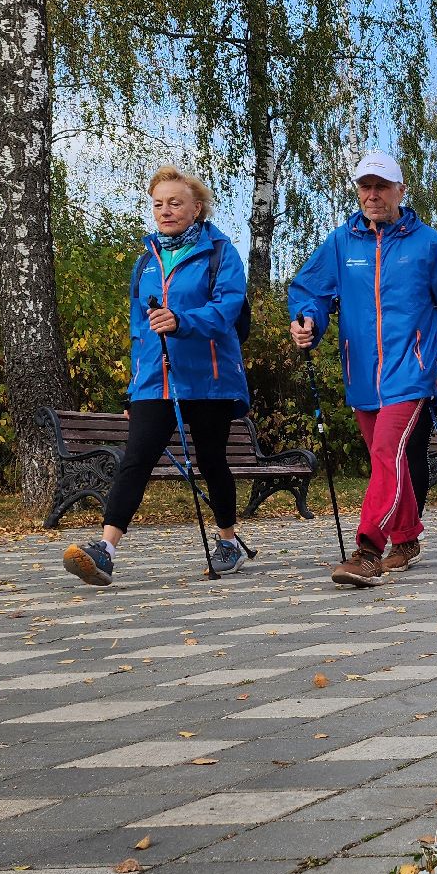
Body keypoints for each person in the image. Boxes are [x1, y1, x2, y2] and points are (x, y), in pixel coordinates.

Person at [287, 153, 437, 588]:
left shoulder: (428, 243)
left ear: (400, 191)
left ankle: (369, 549)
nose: (372, 195)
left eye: (381, 186)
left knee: (385, 453)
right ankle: (408, 537)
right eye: (364, 187)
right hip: (362, 374)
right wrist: (308, 320)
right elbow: (309, 291)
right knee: (387, 455)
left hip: (412, 370)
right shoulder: (341, 242)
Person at [63, 166, 253, 587]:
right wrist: (134, 388)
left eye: (175, 203)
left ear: (196, 207)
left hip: (210, 379)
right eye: (158, 204)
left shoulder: (221, 253)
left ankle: (227, 541)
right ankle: (106, 551)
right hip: (156, 380)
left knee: (211, 460)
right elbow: (138, 330)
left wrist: (182, 320)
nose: (165, 211)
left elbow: (227, 310)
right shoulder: (146, 261)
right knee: (136, 459)